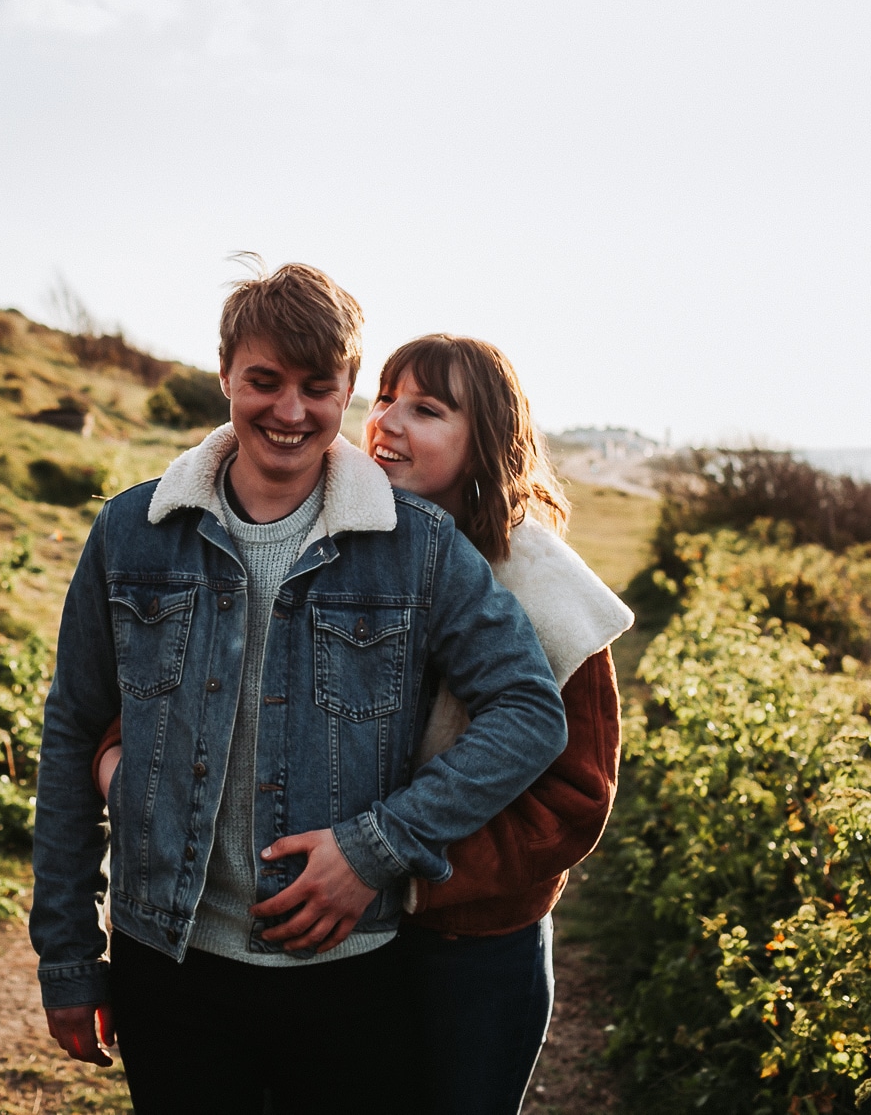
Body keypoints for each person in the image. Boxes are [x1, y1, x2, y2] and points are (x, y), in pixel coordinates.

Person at [30, 263, 568, 1115]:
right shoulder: (132, 531)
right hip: (166, 962)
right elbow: (71, 734)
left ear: (350, 389)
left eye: (318, 387)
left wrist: (375, 847)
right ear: (225, 378)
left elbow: (531, 713)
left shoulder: (416, 546)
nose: (289, 411)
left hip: (351, 971)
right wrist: (66, 953)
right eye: (265, 382)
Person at [370, 335, 632, 1115]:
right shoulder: (360, 545)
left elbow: (577, 796)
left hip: (475, 949)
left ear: (483, 437)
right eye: (384, 396)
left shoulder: (543, 587)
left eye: (425, 407)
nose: (388, 419)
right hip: (364, 933)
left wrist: (422, 876)